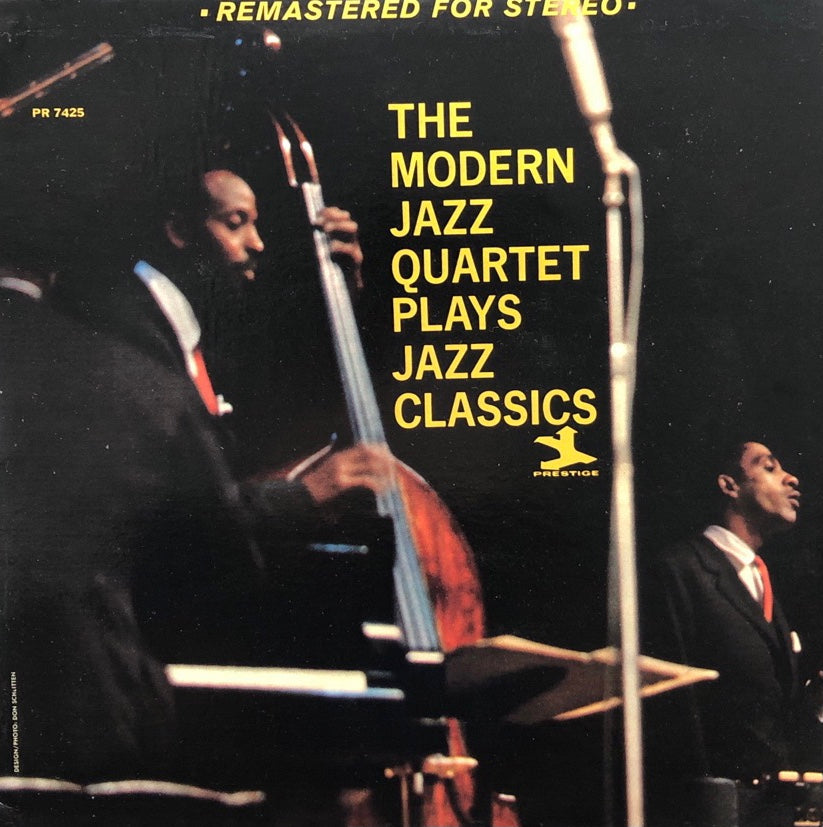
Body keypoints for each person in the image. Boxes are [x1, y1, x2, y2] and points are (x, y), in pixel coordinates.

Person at [0, 167, 394, 786]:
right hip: (95, 676)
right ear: (179, 231)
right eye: (236, 222)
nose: (257, 243)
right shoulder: (122, 334)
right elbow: (191, 522)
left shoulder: (172, 325)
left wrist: (337, 301)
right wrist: (300, 499)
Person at [643, 440, 821, 816]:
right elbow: (669, 710)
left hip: (771, 811)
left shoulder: (763, 581)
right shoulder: (680, 569)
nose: (791, 479)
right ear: (729, 485)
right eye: (769, 467)